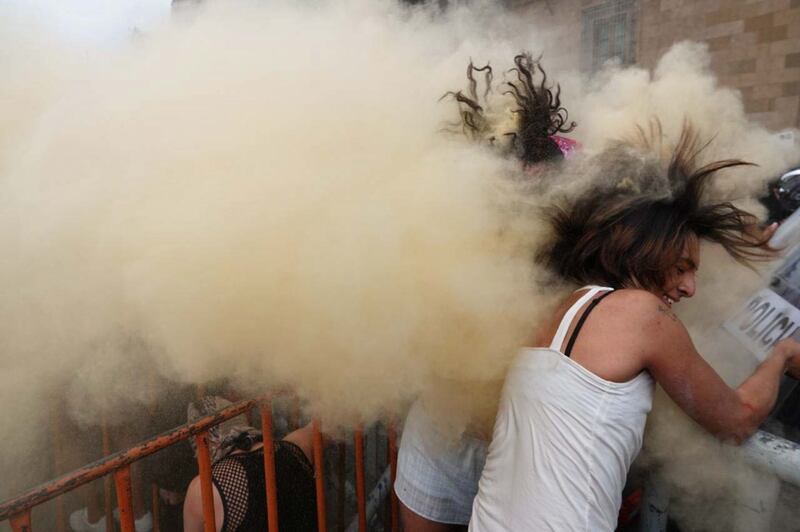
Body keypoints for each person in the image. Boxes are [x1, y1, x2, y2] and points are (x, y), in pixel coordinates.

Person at [468, 127, 800, 531]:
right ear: (644, 252)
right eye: (682, 268)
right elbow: (737, 420)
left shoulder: (560, 309)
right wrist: (782, 354)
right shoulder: (642, 314)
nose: (690, 288)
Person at [395, 52, 576, 532]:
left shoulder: (574, 242)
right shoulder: (443, 238)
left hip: (529, 464)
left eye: (541, 182)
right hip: (440, 445)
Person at [182, 396, 318, 532]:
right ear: (241, 417)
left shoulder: (202, 488)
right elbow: (326, 420)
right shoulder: (296, 447)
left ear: (202, 441)